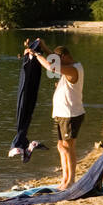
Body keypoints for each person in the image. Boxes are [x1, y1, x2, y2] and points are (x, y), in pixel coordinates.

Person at [28, 41, 84, 188]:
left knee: (69, 147)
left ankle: (71, 180)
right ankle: (64, 178)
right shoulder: (67, 66)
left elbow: (51, 66)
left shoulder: (74, 69)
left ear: (65, 56)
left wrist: (38, 54)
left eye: (58, 59)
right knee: (61, 146)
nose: (56, 61)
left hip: (71, 114)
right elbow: (54, 61)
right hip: (60, 113)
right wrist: (44, 46)